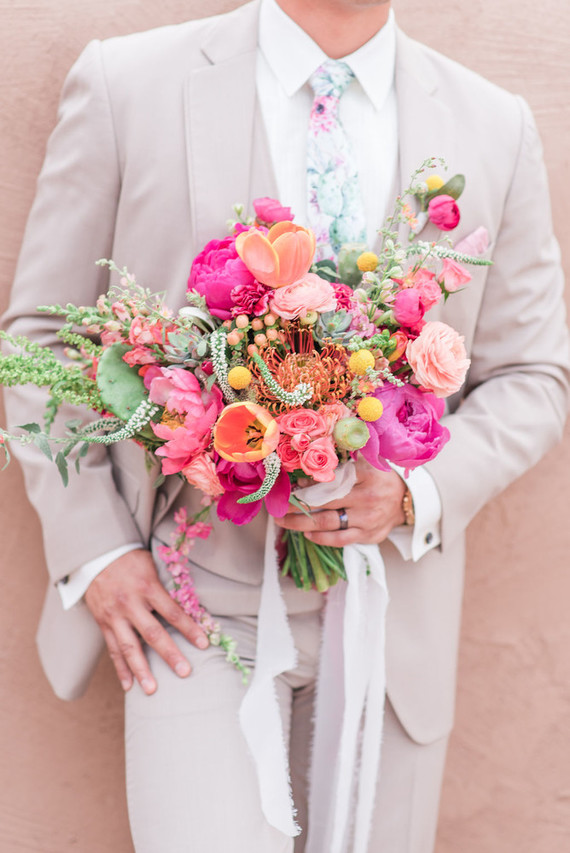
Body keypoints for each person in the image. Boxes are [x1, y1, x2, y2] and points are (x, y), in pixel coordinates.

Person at [3, 0, 568, 851]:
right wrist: (97, 549)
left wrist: (415, 492)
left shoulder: (494, 124)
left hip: (392, 619)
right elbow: (38, 340)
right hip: (195, 610)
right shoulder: (129, 84)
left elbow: (534, 376)